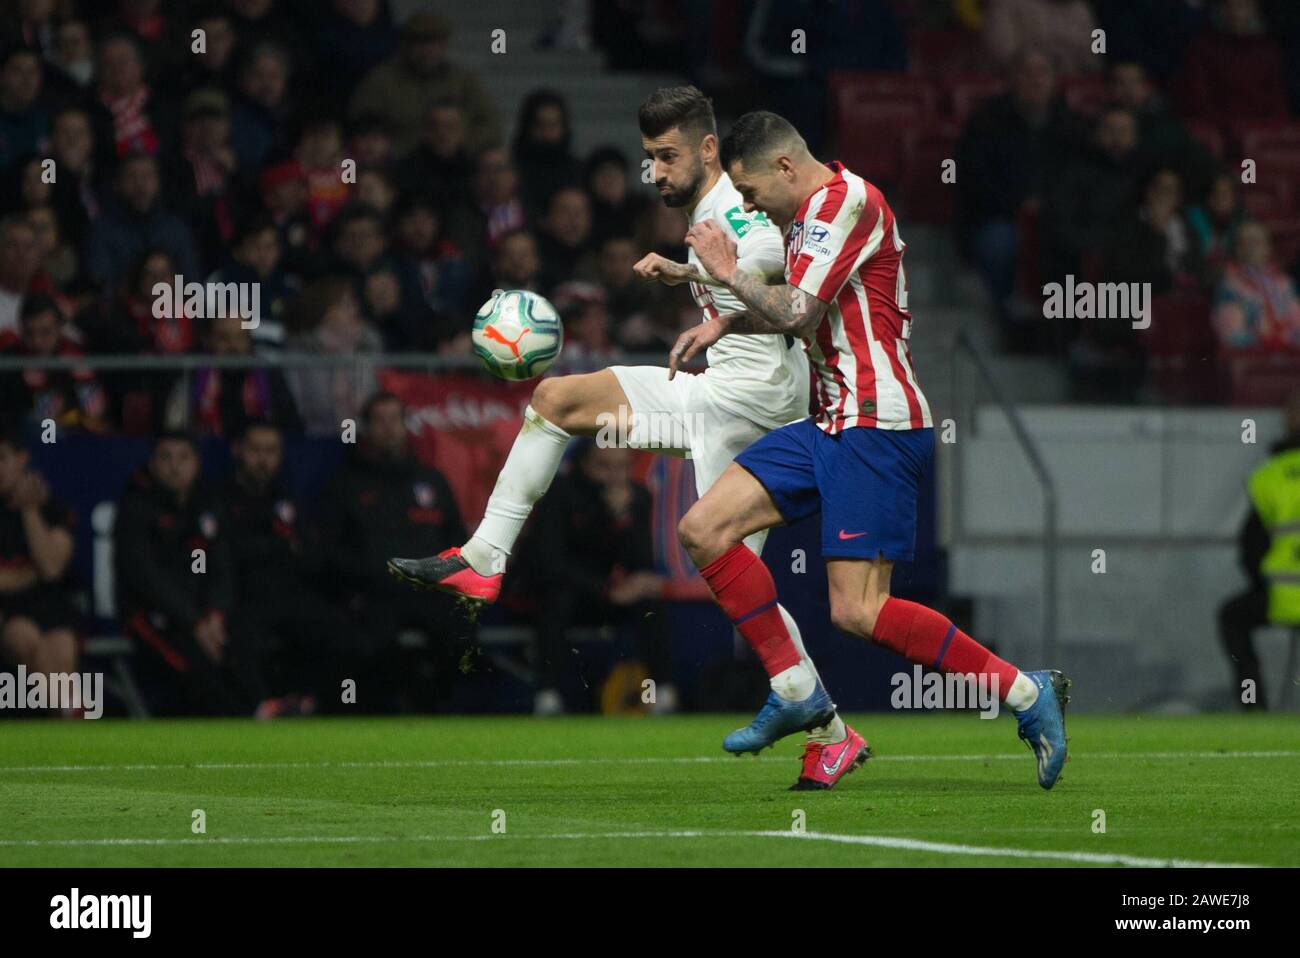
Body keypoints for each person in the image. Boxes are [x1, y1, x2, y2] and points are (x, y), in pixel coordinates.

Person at [389, 87, 863, 791]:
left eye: (667, 157)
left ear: (708, 150)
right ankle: (484, 558)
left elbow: (771, 256)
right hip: (717, 392)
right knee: (556, 399)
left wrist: (725, 269)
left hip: (751, 408)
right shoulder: (710, 209)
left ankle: (824, 723)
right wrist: (689, 272)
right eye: (649, 159)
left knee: (736, 580)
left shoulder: (734, 204)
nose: (656, 173)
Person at [667, 110, 1070, 790]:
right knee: (703, 529)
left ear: (786, 167)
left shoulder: (849, 201)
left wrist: (727, 271)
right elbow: (802, 307)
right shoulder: (806, 219)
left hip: (875, 424)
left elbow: (798, 313)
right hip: (829, 420)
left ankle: (1026, 693)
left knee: (858, 611)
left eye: (751, 190)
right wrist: (727, 321)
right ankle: (795, 688)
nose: (748, 204)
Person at [318, 392, 470, 712]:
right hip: (375, 593)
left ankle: (438, 708)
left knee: (461, 631)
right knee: (372, 643)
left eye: (395, 420)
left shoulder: (431, 480)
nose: (388, 428)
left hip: (430, 591)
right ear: (366, 428)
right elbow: (327, 550)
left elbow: (457, 540)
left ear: (406, 426)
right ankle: (383, 710)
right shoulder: (345, 484)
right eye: (379, 421)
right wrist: (370, 572)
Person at [509, 441, 676, 715]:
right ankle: (547, 695)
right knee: (557, 600)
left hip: (606, 595)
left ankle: (663, 692)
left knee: (650, 604)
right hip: (562, 592)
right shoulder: (559, 494)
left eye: (622, 467)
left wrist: (622, 517)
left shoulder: (636, 498)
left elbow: (640, 563)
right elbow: (550, 564)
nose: (614, 476)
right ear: (584, 464)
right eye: (604, 466)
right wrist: (607, 590)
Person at [113, 432, 265, 715]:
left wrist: (216, 614)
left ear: (197, 462)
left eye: (183, 457)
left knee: (243, 641)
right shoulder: (136, 507)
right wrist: (195, 621)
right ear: (153, 464)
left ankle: (264, 707)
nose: (175, 466)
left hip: (203, 618)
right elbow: (148, 579)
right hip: (152, 618)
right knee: (193, 664)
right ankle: (243, 719)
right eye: (166, 457)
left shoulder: (207, 504)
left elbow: (220, 567)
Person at [1218, 391, 1300, 710]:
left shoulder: (1270, 477)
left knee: (1232, 618)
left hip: (1278, 596)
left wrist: (1264, 585)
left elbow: (1250, 547)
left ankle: (1254, 707)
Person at [0, 428, 80, 697]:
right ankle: (71, 712)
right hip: (7, 612)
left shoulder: (53, 509)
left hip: (49, 604)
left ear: (22, 458)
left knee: (61, 649)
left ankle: (67, 720)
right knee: (27, 640)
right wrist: (27, 574)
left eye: (2, 458)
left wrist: (29, 510)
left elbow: (50, 568)